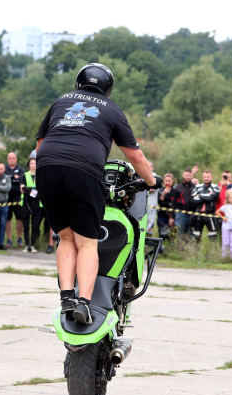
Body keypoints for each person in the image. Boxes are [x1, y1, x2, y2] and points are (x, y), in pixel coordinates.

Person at [34, 63, 158, 324]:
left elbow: (41, 143)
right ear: (108, 88)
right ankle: (84, 303)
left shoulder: (62, 101)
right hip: (83, 170)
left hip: (47, 167)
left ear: (79, 82)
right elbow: (134, 154)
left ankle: (66, 297)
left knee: (65, 237)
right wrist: (151, 181)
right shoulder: (112, 110)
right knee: (87, 242)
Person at [21, 157, 42, 253]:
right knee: (26, 226)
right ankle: (26, 245)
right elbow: (22, 189)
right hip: (26, 203)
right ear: (29, 164)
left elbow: (42, 188)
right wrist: (34, 191)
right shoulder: (24, 175)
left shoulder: (40, 175)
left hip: (37, 204)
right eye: (31, 163)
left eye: (35, 163)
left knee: (35, 225)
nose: (33, 165)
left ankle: (32, 245)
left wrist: (28, 189)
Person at [190, 170, 220, 241]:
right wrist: (207, 196)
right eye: (205, 177)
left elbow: (212, 198)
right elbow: (192, 199)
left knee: (213, 236)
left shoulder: (215, 187)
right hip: (199, 214)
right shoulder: (198, 187)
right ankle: (195, 251)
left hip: (210, 214)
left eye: (208, 177)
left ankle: (213, 251)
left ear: (211, 177)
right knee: (196, 236)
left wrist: (199, 195)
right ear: (202, 177)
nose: (206, 178)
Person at [4, 152, 25, 248]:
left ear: (16, 159)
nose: (11, 159)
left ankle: (19, 238)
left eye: (13, 158)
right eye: (10, 158)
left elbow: (21, 179)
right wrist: (14, 178)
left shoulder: (21, 169)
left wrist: (11, 178)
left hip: (18, 198)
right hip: (7, 197)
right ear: (7, 159)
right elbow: (5, 180)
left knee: (19, 218)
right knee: (7, 219)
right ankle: (9, 239)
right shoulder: (4, 169)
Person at [171, 169, 196, 236]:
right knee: (181, 233)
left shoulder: (195, 187)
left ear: (191, 176)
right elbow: (173, 202)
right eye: (186, 175)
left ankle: (190, 246)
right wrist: (171, 216)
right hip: (180, 214)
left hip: (192, 213)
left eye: (189, 175)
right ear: (183, 175)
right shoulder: (177, 187)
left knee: (191, 233)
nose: (188, 177)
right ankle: (180, 246)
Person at [216, 190, 232, 259]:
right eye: (230, 198)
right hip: (226, 226)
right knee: (226, 242)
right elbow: (217, 212)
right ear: (228, 199)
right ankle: (224, 256)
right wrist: (222, 217)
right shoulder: (225, 206)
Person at [146, 161, 159, 234]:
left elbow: (151, 189)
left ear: (153, 167)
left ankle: (148, 240)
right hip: (141, 204)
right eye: (147, 166)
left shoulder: (155, 177)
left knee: (150, 223)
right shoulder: (141, 175)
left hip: (151, 204)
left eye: (150, 166)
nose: (149, 168)